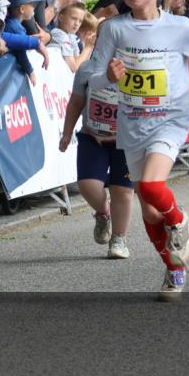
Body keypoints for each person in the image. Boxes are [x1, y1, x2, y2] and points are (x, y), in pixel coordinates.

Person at [88, 0, 189, 300]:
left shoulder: (178, 27)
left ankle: (179, 221)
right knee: (149, 210)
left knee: (150, 187)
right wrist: (109, 76)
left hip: (170, 120)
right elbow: (94, 78)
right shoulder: (113, 29)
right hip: (131, 125)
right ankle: (174, 269)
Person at [60, 42, 134, 260]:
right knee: (88, 186)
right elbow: (75, 102)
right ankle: (103, 214)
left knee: (122, 191)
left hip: (125, 141)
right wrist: (66, 133)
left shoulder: (136, 70)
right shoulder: (86, 69)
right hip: (93, 136)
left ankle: (119, 239)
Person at [50, 3, 93, 72]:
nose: (77, 24)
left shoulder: (71, 36)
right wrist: (88, 47)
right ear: (61, 17)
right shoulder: (59, 34)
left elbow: (78, 62)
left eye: (80, 21)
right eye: (74, 18)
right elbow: (74, 68)